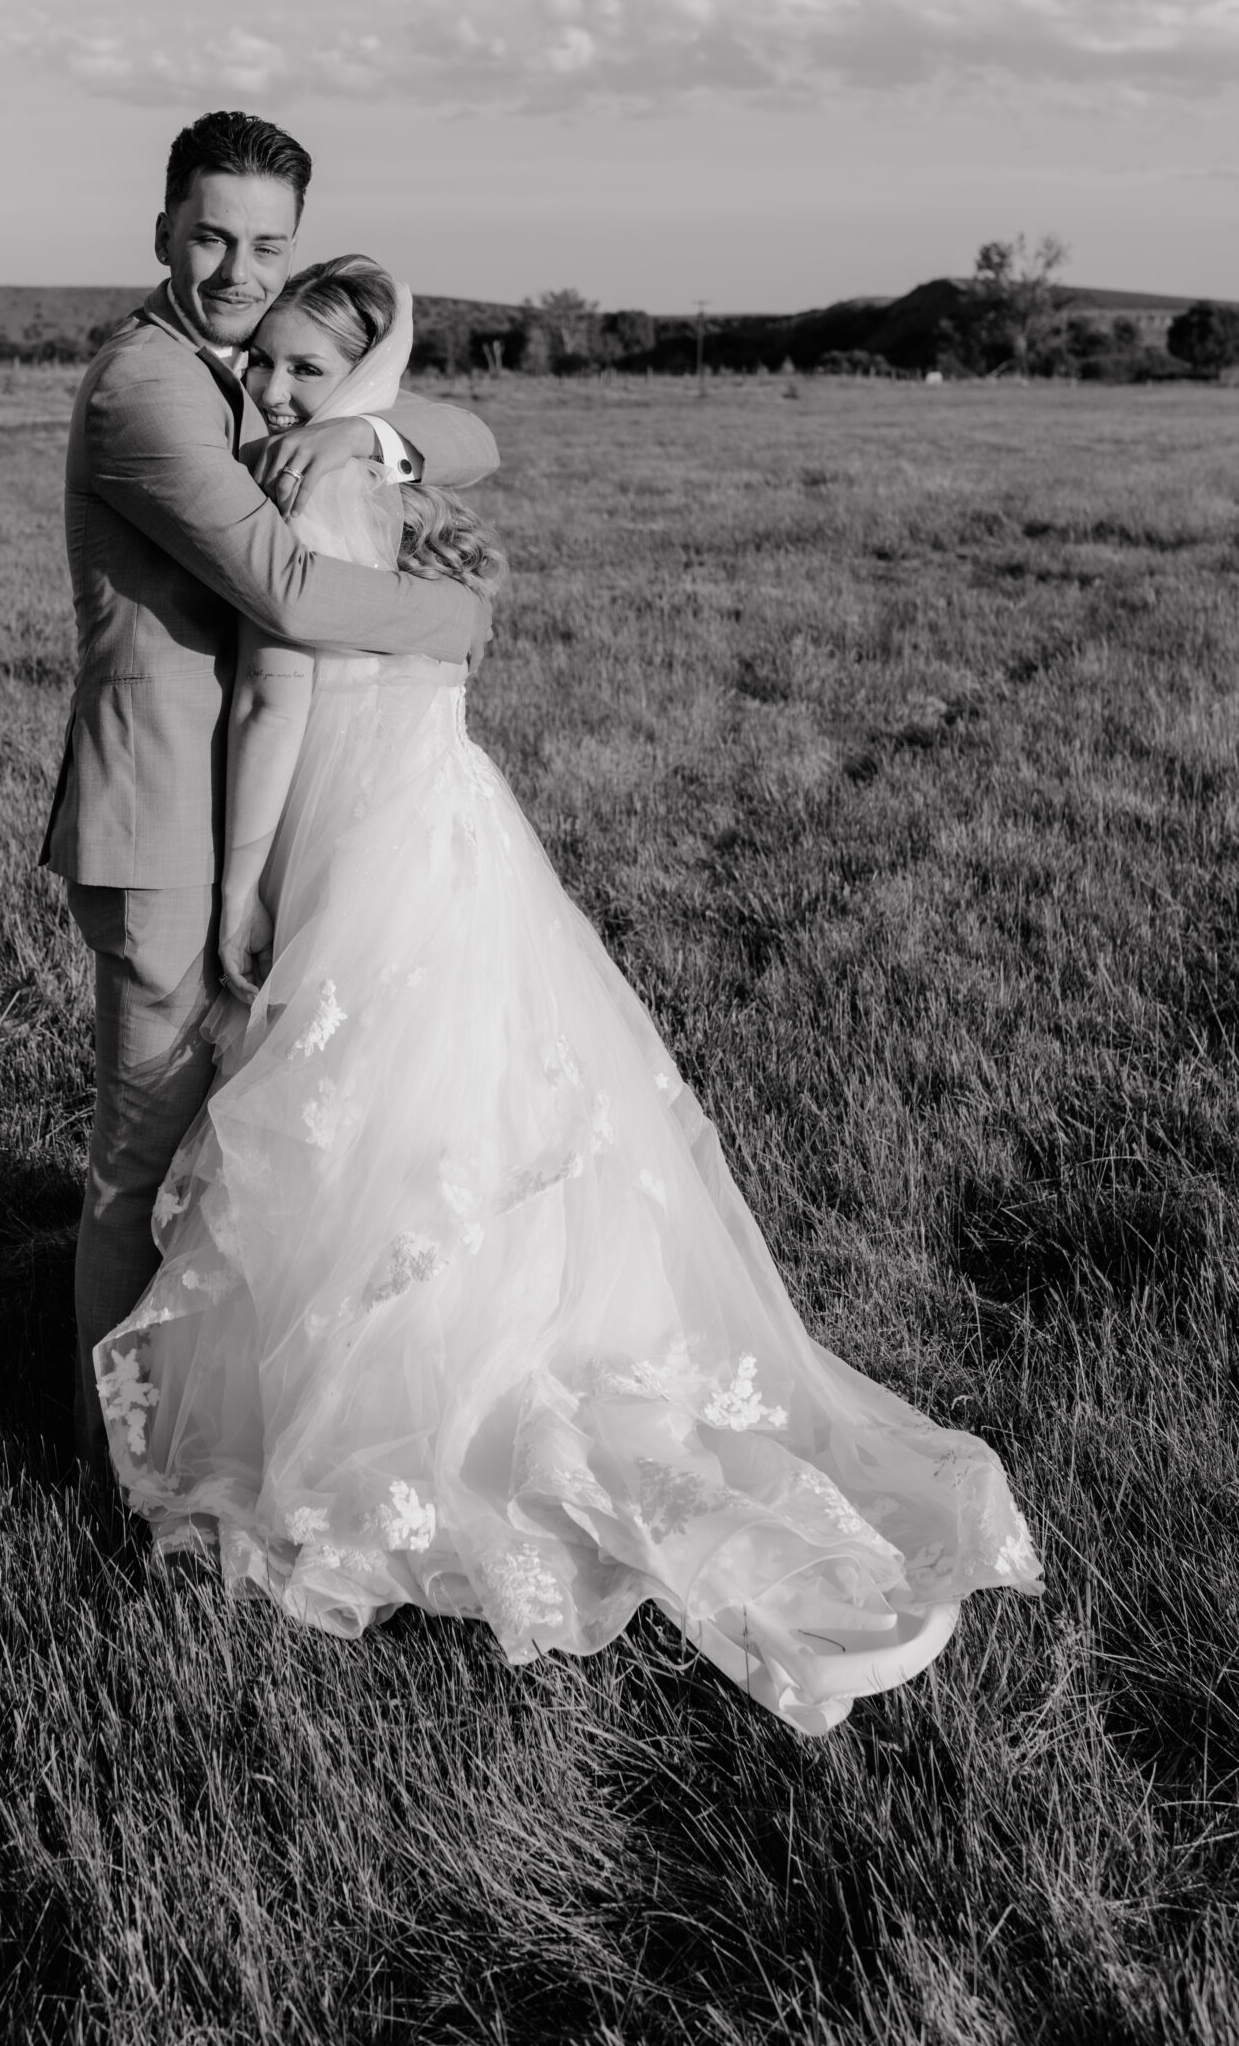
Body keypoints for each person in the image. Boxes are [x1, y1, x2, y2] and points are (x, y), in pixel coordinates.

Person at [93, 256, 1043, 1738]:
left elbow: (279, 692)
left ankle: (369, 1414)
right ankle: (460, 1356)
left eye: (301, 367)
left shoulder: (314, 479)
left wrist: (237, 894)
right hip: (446, 819)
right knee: (459, 1099)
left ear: (360, 379)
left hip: (351, 831)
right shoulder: (394, 483)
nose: (270, 389)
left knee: (367, 1113)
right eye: (263, 361)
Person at [40, 113, 498, 1475]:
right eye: (213, 238)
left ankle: (207, 1420)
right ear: (162, 231)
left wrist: (369, 440)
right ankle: (104, 1459)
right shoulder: (149, 386)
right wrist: (459, 622)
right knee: (144, 1155)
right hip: (166, 817)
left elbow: (472, 435)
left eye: (268, 245)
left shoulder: (250, 370)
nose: (239, 271)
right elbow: (286, 591)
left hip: (268, 808)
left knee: (231, 1145)